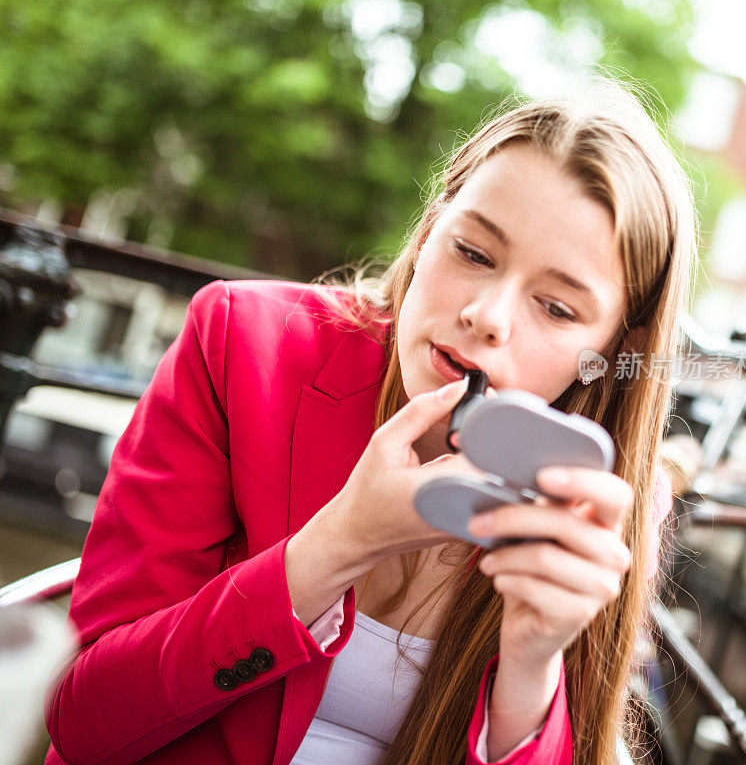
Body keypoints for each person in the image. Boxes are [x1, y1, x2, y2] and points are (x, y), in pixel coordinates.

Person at [44, 79, 696, 765]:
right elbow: (87, 722)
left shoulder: (606, 492)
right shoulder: (241, 345)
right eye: (472, 253)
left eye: (557, 308)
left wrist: (531, 672)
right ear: (430, 227)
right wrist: (339, 544)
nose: (488, 317)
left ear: (615, 350)